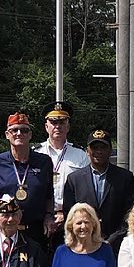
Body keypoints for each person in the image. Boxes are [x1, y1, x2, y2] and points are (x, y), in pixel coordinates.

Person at [0, 113, 56, 247]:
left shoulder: (44, 162)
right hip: (4, 231)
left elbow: (48, 195)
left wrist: (49, 215)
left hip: (36, 233)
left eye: (24, 130)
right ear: (7, 134)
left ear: (30, 134)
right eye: (14, 130)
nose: (19, 133)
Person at [62, 128, 134, 250]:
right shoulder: (74, 179)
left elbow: (130, 214)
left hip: (116, 246)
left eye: (103, 147)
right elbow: (69, 215)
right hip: (84, 244)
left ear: (110, 150)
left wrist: (113, 239)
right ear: (87, 151)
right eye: (94, 148)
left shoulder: (125, 177)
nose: (99, 151)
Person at [34, 101, 89, 242]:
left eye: (62, 122)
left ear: (68, 126)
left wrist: (65, 214)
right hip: (40, 219)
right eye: (53, 122)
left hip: (71, 220)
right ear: (46, 126)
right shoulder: (35, 153)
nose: (57, 126)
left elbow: (84, 190)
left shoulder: (80, 155)